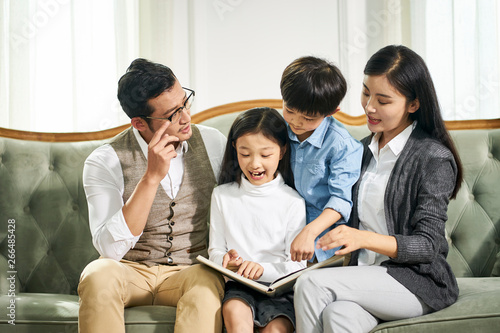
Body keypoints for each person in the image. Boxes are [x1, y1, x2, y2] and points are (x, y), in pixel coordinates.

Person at [294, 45, 463, 333]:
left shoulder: (433, 158)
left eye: (383, 100)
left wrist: (363, 238)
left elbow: (428, 246)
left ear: (413, 104)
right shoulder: (359, 151)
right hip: (365, 276)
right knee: (338, 315)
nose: (369, 107)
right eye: (365, 93)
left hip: (416, 281)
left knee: (310, 284)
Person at [78, 58, 227, 333]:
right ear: (139, 123)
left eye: (186, 102)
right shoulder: (104, 161)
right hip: (129, 270)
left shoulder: (213, 143)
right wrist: (150, 178)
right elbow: (110, 250)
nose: (186, 118)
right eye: (172, 114)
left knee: (208, 284)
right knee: (97, 275)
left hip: (190, 270)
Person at [208, 107, 307, 333]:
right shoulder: (222, 195)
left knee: (275, 329)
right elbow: (214, 250)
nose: (254, 164)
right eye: (245, 154)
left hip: (279, 290)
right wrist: (226, 260)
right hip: (238, 288)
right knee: (235, 313)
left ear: (282, 152)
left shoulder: (292, 201)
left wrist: (261, 269)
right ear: (235, 150)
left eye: (265, 155)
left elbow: (297, 266)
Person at [280, 56, 363, 263]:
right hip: (279, 227)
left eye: (308, 118)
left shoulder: (341, 145)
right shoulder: (277, 129)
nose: (296, 122)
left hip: (319, 241)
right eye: (289, 110)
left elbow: (341, 200)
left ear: (331, 113)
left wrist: (309, 231)